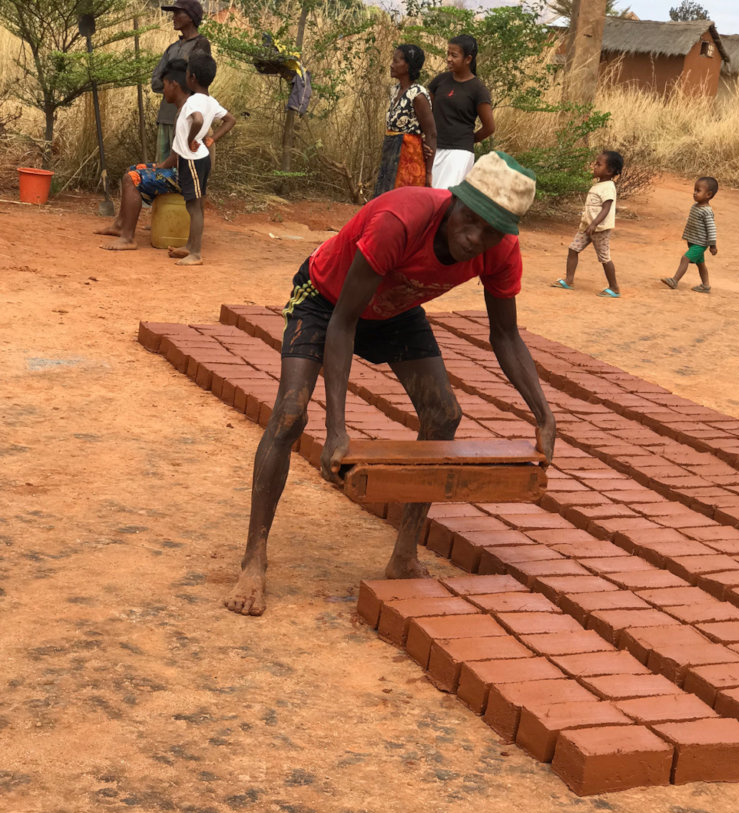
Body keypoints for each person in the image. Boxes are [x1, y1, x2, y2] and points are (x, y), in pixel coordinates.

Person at [224, 151, 556, 617]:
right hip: (327, 299)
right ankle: (254, 559)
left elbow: (505, 334)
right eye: (472, 221)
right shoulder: (401, 219)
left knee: (443, 414)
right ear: (456, 201)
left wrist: (544, 414)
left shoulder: (499, 251)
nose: (474, 239)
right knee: (290, 412)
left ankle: (404, 554)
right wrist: (337, 429)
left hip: (396, 309)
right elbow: (343, 322)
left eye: (492, 232)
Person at [97, 57, 235, 258]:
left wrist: (168, 160)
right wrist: (159, 166)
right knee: (133, 169)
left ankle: (128, 237)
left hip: (186, 172)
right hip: (186, 168)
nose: (163, 91)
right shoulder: (197, 104)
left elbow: (182, 150)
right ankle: (120, 225)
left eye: (165, 86)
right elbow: (180, 151)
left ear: (175, 84)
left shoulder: (189, 108)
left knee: (132, 178)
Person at [167, 51, 236, 266]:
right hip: (200, 158)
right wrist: (212, 139)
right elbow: (230, 120)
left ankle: (195, 253)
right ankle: (190, 246)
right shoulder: (211, 101)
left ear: (191, 78)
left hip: (192, 160)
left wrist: (190, 139)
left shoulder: (193, 102)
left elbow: (196, 120)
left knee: (194, 206)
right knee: (195, 203)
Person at [553, 150, 624, 298]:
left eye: (599, 164)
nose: (595, 166)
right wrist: (589, 224)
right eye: (595, 163)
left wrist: (594, 224)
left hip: (599, 229)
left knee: (604, 257)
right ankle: (569, 280)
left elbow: (606, 208)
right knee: (573, 249)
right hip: (587, 227)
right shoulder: (599, 185)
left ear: (610, 171)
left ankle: (614, 287)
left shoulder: (608, 187)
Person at [428, 34, 494, 190]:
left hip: (459, 154)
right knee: (428, 197)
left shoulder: (478, 89)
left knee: (445, 198)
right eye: (448, 54)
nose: (449, 59)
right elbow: (426, 111)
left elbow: (489, 127)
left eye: (454, 55)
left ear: (468, 59)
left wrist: (467, 140)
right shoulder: (440, 81)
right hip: (434, 149)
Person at [151, 0, 211, 163]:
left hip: (189, 118)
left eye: (178, 13)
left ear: (191, 17)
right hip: (166, 116)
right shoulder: (172, 48)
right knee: (163, 170)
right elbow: (155, 82)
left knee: (185, 169)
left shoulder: (201, 44)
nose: (173, 17)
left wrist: (170, 80)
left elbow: (198, 81)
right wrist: (177, 79)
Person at [373, 44, 436, 196]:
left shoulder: (418, 95)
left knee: (401, 201)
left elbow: (431, 133)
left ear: (408, 66)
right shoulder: (395, 91)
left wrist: (428, 172)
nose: (391, 65)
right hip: (391, 154)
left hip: (409, 159)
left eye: (396, 61)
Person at [661, 176, 718, 293]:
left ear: (708, 195)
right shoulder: (695, 207)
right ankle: (706, 285)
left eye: (698, 191)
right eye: (694, 190)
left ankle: (675, 280)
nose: (694, 193)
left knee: (685, 258)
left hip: (700, 244)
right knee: (701, 264)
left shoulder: (707, 211)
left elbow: (711, 229)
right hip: (693, 242)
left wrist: (713, 245)